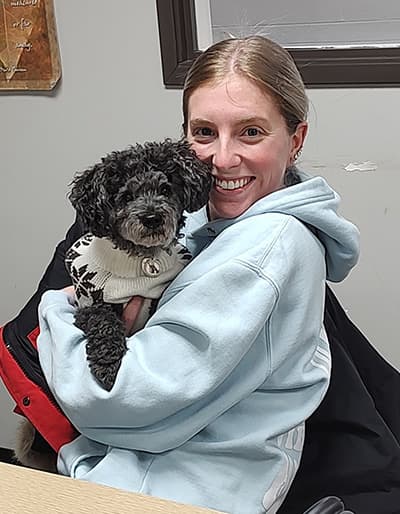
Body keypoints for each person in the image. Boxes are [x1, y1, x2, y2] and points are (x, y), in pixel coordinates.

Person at [0, 36, 399, 514]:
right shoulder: (215, 223)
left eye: (251, 132)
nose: (222, 160)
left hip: (177, 490)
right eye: (204, 132)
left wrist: (57, 310)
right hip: (147, 467)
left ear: (295, 140)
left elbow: (111, 402)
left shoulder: (265, 249)